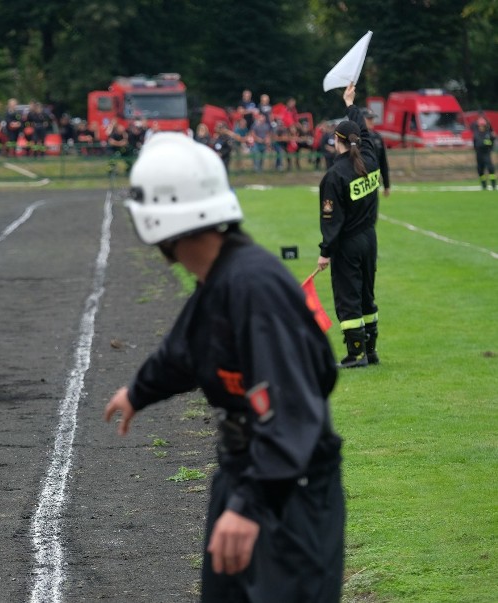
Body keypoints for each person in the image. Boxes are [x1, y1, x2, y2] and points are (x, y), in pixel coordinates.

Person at [104, 132, 344, 603]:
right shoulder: (219, 277)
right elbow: (185, 350)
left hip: (286, 490)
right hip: (249, 473)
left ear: (160, 222)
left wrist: (249, 506)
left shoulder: (253, 286)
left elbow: (292, 410)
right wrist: (139, 391)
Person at [317, 83, 381, 368]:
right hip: (370, 239)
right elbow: (363, 132)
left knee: (348, 297)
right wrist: (350, 104)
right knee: (367, 293)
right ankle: (371, 349)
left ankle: (355, 354)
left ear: (336, 141)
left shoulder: (334, 175)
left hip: (348, 244)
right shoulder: (369, 158)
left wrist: (325, 252)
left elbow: (332, 221)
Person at [363, 109, 391, 197]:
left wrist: (386, 185)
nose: (372, 121)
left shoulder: (377, 137)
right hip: (359, 179)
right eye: (369, 119)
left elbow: (383, 162)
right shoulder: (356, 137)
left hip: (374, 180)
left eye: (372, 119)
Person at [471, 116, 496, 190]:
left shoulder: (489, 133)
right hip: (479, 154)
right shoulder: (476, 133)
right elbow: (474, 143)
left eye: (482, 126)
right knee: (480, 169)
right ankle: (484, 185)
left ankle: (493, 184)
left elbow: (492, 142)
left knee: (490, 168)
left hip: (486, 153)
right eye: (480, 126)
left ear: (485, 126)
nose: (481, 127)